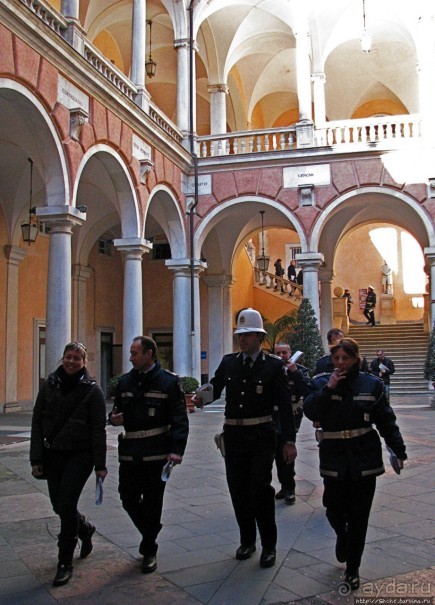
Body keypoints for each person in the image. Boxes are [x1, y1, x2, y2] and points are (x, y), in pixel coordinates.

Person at [195, 308, 296, 568]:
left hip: (261, 435)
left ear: (259, 337)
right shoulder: (229, 362)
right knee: (238, 490)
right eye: (240, 335)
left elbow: (285, 406)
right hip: (234, 435)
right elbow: (216, 387)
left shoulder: (273, 366)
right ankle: (247, 540)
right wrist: (200, 397)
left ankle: (269, 546)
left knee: (260, 490)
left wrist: (289, 441)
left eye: (247, 335)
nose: (242, 339)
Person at [303, 338, 407, 591]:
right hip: (334, 455)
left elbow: (386, 421)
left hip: (364, 456)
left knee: (359, 514)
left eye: (345, 358)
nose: (340, 363)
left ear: (355, 359)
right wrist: (328, 389)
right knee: (333, 508)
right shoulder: (321, 382)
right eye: (336, 358)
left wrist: (398, 449)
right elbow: (310, 411)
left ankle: (353, 568)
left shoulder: (372, 384)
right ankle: (342, 536)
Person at [109, 336, 189, 574]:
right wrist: (112, 420)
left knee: (153, 502)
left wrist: (177, 450)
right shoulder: (124, 383)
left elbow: (179, 419)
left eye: (135, 353)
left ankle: (149, 549)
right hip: (130, 453)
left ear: (150, 354)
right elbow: (116, 413)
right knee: (127, 497)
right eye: (131, 353)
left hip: (157, 452)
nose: (131, 357)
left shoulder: (168, 383)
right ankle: (151, 530)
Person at [30, 342, 107, 587]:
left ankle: (65, 562)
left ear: (84, 362)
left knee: (66, 503)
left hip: (80, 455)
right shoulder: (50, 385)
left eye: (76, 358)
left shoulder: (93, 391)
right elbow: (37, 422)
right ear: (62, 358)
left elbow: (98, 430)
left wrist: (100, 464)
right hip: (54, 454)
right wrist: (36, 458)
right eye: (68, 357)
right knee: (58, 505)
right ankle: (84, 529)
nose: (71, 361)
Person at [273, 342, 310, 505]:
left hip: (292, 414)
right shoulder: (271, 369)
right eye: (278, 353)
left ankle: (290, 488)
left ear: (290, 353)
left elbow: (307, 391)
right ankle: (283, 486)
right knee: (275, 451)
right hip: (272, 415)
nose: (281, 356)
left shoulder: (300, 370)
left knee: (286, 449)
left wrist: (295, 373)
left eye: (284, 353)